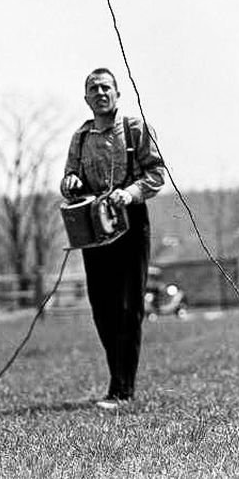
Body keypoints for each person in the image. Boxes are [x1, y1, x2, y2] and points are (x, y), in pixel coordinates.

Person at [61, 68, 165, 410]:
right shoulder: (80, 137)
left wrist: (131, 194)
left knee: (127, 307)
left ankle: (123, 390)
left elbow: (156, 174)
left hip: (131, 223)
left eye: (106, 87)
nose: (100, 92)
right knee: (102, 308)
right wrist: (72, 184)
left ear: (118, 94)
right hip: (94, 225)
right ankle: (116, 383)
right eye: (94, 89)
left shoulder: (135, 129)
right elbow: (69, 178)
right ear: (87, 98)